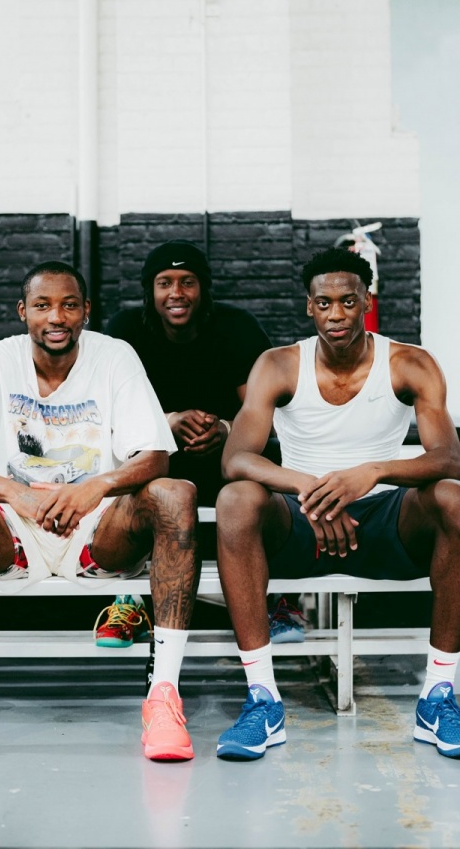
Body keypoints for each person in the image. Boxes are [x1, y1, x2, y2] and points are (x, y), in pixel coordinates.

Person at [0, 260, 200, 766]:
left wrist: (94, 487)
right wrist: (14, 494)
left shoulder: (114, 356)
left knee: (176, 493)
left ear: (86, 311)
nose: (56, 317)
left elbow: (155, 456)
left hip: (98, 532)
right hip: (12, 531)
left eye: (69, 305)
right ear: (23, 312)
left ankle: (163, 699)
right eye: (42, 305)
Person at [214, 247, 460, 761]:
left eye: (347, 301)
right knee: (235, 500)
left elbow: (449, 458)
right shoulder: (278, 365)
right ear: (309, 307)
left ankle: (438, 697)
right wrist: (310, 489)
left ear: (367, 302)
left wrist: (372, 472)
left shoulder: (410, 363)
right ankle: (263, 700)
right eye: (324, 303)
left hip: (385, 520)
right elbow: (236, 459)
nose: (336, 314)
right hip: (301, 522)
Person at [101, 241, 299, 646]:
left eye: (187, 282)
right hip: (159, 462)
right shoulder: (125, 331)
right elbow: (106, 413)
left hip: (228, 462)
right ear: (150, 290)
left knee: (271, 468)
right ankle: (129, 602)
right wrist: (167, 423)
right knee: (122, 463)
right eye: (165, 283)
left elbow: (273, 416)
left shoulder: (237, 328)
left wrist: (226, 430)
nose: (176, 293)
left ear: (203, 288)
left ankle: (279, 601)